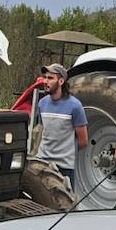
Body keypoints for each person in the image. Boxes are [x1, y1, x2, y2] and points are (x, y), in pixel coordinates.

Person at [35, 63, 87, 191]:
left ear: (61, 81)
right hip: (43, 163)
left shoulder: (75, 106)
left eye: (50, 78)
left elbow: (83, 140)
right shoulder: (42, 103)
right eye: (45, 77)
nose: (46, 81)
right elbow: (41, 131)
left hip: (64, 167)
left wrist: (65, 153)